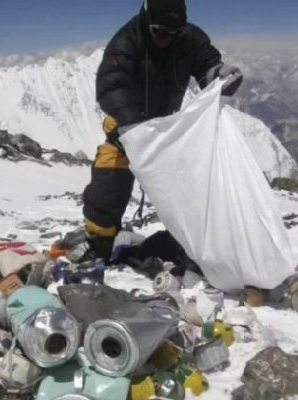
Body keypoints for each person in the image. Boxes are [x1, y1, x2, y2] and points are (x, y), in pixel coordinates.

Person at [80, 0, 243, 262]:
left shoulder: (190, 39)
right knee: (109, 186)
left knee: (191, 190)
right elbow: (111, 85)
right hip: (125, 132)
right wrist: (132, 125)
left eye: (174, 32)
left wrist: (219, 75)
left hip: (167, 134)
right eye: (160, 32)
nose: (167, 38)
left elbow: (207, 66)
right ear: (147, 19)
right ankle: (99, 246)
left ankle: (190, 248)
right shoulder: (126, 42)